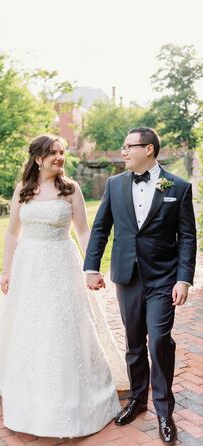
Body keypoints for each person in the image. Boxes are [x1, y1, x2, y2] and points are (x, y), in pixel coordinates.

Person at [0, 134, 129, 438]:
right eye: (53, 153)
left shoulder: (70, 189)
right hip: (29, 266)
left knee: (63, 324)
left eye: (62, 153)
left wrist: (92, 268)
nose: (59, 158)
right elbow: (12, 234)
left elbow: (83, 231)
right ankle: (29, 384)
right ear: (38, 158)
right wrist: (6, 270)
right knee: (30, 325)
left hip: (62, 264)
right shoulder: (22, 191)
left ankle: (71, 390)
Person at [84, 127, 196, 444]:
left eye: (128, 146)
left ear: (148, 149)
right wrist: (91, 267)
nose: (123, 152)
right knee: (134, 342)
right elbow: (101, 228)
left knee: (159, 341)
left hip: (164, 278)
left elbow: (187, 237)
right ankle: (137, 399)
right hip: (127, 276)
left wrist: (184, 278)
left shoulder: (178, 186)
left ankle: (164, 411)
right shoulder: (115, 184)